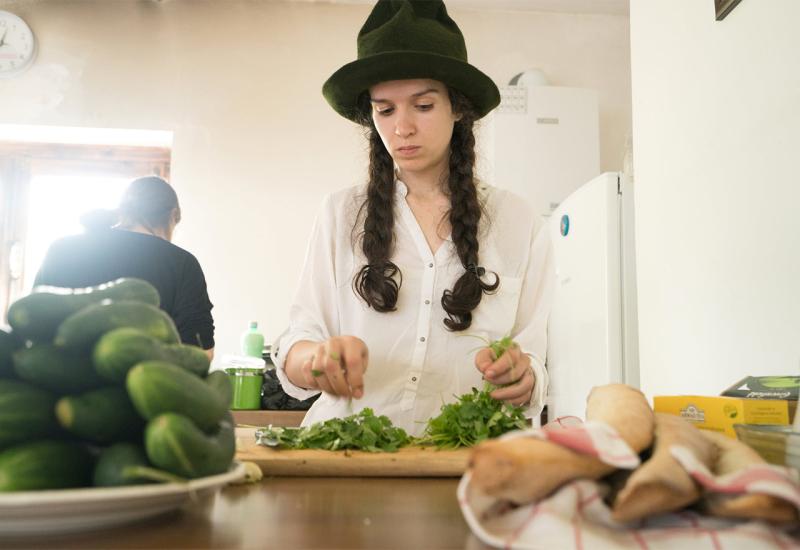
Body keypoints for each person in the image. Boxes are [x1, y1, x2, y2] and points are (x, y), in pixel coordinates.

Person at [273, 0, 554, 436]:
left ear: (457, 108)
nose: (402, 127)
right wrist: (315, 359)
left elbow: (537, 359)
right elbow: (298, 338)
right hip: (350, 453)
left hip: (470, 464)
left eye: (422, 106)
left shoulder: (518, 221)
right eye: (385, 110)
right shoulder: (340, 213)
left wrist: (524, 374)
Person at [34, 175, 215, 358]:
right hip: (141, 381)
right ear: (173, 215)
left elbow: (32, 320)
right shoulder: (182, 263)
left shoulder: (62, 248)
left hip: (57, 378)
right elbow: (201, 353)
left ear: (123, 211)